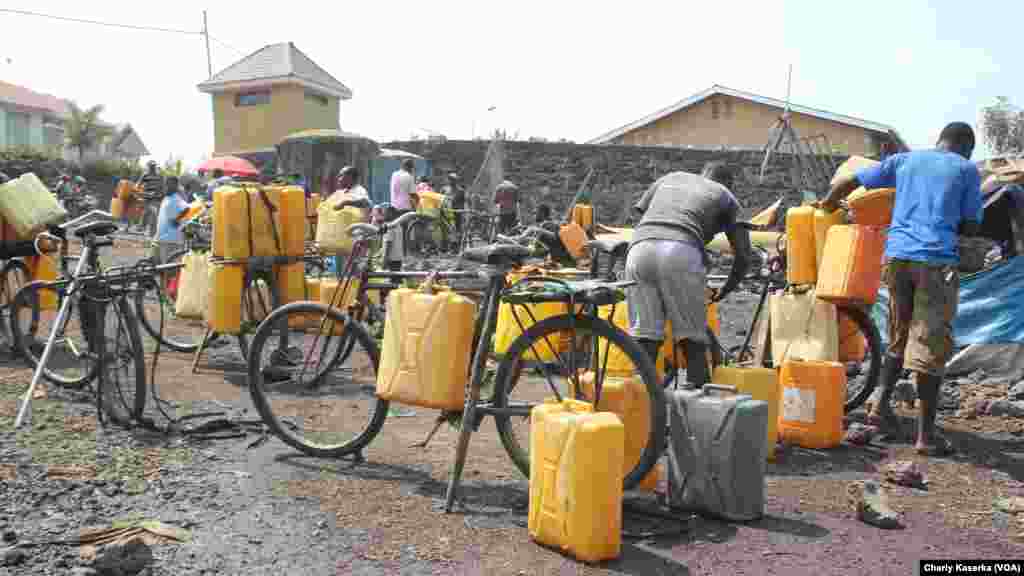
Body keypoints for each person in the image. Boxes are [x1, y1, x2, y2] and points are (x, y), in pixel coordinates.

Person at [819, 122, 982, 456]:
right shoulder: (965, 169)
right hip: (935, 261)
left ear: (940, 140)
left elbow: (850, 182)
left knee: (897, 336)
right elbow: (971, 223)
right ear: (966, 147)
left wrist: (827, 205)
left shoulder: (905, 160)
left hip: (896, 258)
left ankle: (879, 408)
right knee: (929, 345)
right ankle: (926, 437)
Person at [626, 162, 752, 389]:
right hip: (680, 252)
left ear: (702, 174)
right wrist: (726, 289)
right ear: (729, 183)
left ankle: (641, 411)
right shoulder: (724, 195)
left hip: (639, 250)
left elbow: (650, 217)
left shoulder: (670, 176)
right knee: (692, 340)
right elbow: (743, 256)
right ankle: (696, 415)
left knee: (645, 338)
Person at [152, 175, 190, 265]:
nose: (165, 186)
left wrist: (177, 219)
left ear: (174, 185)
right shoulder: (167, 197)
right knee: (159, 266)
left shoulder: (176, 198)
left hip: (171, 240)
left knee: (168, 268)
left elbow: (186, 208)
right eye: (165, 184)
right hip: (162, 238)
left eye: (168, 184)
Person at [136, 161, 164, 235]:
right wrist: (140, 193)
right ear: (148, 167)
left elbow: (162, 187)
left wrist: (160, 194)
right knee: (146, 213)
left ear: (155, 167)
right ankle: (142, 227)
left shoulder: (159, 176)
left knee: (154, 214)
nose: (152, 168)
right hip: (146, 197)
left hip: (155, 198)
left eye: (153, 166)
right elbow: (138, 185)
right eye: (151, 166)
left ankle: (151, 232)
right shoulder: (145, 175)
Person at [443, 172, 466, 236]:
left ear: (456, 181)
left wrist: (462, 213)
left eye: (454, 179)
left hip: (456, 212)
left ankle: (458, 240)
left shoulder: (460, 191)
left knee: (458, 228)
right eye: (450, 179)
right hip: (446, 211)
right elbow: (441, 199)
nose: (452, 181)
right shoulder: (444, 189)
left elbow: (463, 203)